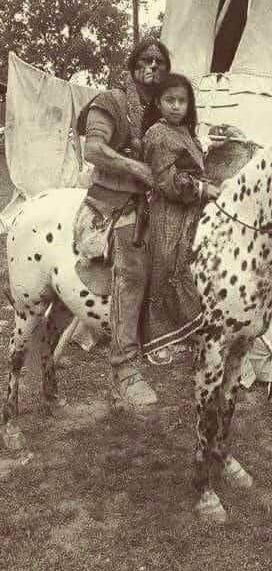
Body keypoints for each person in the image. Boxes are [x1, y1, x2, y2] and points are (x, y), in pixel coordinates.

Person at [77, 37, 171, 409]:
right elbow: (94, 149)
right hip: (109, 204)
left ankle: (160, 337)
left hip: (148, 206)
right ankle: (123, 369)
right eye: (146, 60)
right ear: (133, 66)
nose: (153, 66)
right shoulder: (111, 101)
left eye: (160, 62)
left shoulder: (163, 111)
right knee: (132, 270)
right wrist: (137, 168)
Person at [140, 72, 221, 358]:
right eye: (169, 100)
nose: (176, 106)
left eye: (181, 101)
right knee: (169, 256)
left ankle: (196, 323)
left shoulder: (185, 131)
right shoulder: (158, 133)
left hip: (193, 204)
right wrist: (203, 189)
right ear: (159, 103)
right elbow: (166, 180)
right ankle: (159, 335)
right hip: (168, 206)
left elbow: (193, 164)